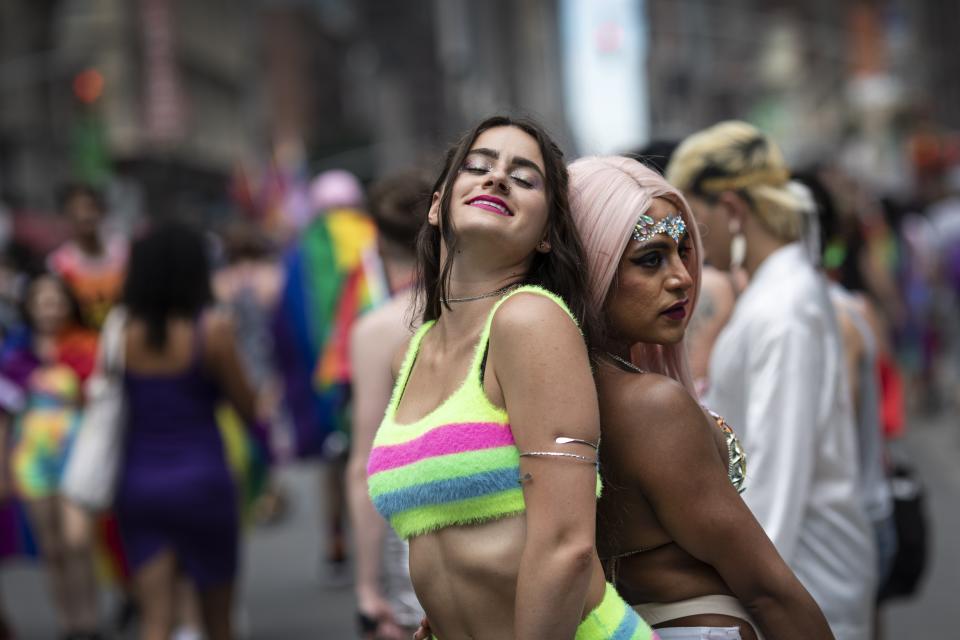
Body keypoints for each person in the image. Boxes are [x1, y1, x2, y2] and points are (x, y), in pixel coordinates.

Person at [366, 116, 655, 639]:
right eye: (478, 167)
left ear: (546, 234)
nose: (497, 178)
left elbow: (566, 544)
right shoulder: (411, 354)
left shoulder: (528, 320)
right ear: (436, 206)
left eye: (524, 178)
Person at [568, 155, 833, 640]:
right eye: (650, 258)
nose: (682, 278)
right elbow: (769, 591)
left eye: (683, 252)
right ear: (589, 264)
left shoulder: (548, 394)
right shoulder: (650, 405)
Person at [666, 121, 877, 640]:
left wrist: (749, 599)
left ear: (732, 210)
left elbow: (776, 480)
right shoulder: (781, 291)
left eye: (693, 219)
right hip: (799, 576)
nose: (687, 240)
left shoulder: (784, 308)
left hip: (806, 583)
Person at [113, 221, 258, 640]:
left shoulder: (122, 334)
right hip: (204, 481)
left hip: (139, 483)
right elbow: (247, 409)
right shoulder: (211, 330)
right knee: (218, 622)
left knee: (155, 621)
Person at [270, 169, 386, 582]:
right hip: (364, 367)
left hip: (329, 374)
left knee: (336, 461)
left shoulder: (298, 255)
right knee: (363, 456)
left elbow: (285, 326)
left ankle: (339, 539)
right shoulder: (371, 240)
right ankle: (363, 541)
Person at [346, 168, 431, 639]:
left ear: (377, 242)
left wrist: (366, 589)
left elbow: (364, 464)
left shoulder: (375, 331)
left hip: (412, 537)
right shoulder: (483, 308)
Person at [0, 273, 102, 639]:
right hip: (31, 462)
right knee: (54, 549)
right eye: (41, 301)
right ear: (28, 307)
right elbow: (5, 417)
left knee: (78, 542)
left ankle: (90, 621)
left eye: (56, 300)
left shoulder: (89, 348)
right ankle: (69, 624)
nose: (49, 308)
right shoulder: (15, 355)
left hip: (79, 456)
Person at [47, 184, 128, 330]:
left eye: (90, 208)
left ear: (101, 211)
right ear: (67, 215)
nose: (85, 215)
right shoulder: (58, 263)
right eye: (76, 210)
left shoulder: (122, 252)